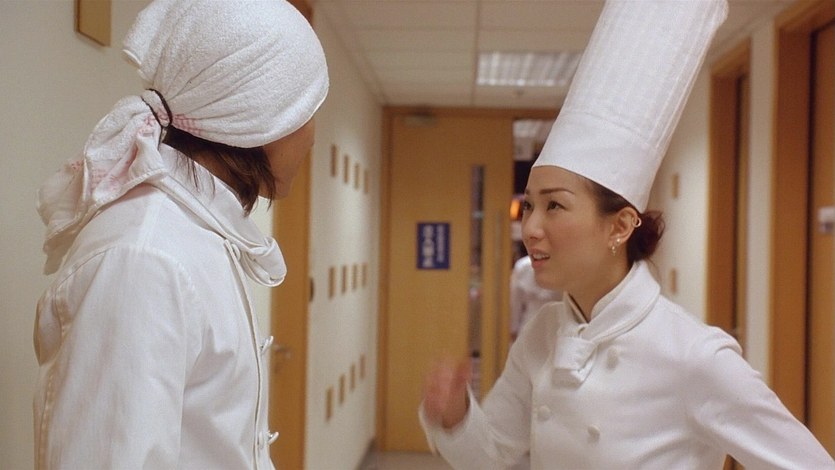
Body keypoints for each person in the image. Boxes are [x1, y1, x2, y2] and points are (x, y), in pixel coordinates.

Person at [418, 0, 835, 468]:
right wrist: (454, 415)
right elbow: (491, 454)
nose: (531, 227)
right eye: (530, 205)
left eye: (555, 206)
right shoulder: (542, 333)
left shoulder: (694, 356)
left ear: (619, 225)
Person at [33, 1, 328, 468]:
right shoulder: (145, 258)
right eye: (308, 109)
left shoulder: (192, 235)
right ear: (259, 114)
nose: (312, 134)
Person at [510, 255, 561, 341]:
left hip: (532, 323)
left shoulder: (523, 265)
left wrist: (512, 327)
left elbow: (515, 303)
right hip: (555, 324)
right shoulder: (523, 265)